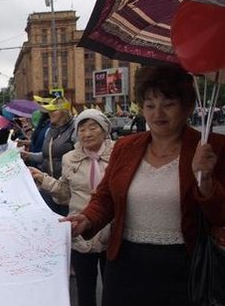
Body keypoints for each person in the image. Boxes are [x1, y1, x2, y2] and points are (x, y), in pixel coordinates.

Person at [62, 66, 225, 305]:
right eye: (149, 105)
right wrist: (87, 218)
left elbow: (220, 215)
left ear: (188, 106)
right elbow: (106, 196)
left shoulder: (211, 148)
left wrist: (207, 180)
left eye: (168, 103)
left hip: (186, 268)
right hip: (125, 266)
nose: (158, 113)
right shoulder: (126, 146)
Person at [30, 109, 114, 306]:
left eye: (93, 127)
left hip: (114, 232)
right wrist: (43, 179)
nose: (87, 133)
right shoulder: (70, 159)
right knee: (85, 292)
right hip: (80, 232)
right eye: (82, 129)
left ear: (104, 130)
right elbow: (64, 194)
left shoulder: (120, 155)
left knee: (113, 292)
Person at [24, 96, 75, 216]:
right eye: (49, 111)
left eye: (54, 110)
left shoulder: (75, 130)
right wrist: (29, 156)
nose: (50, 113)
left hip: (68, 190)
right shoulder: (49, 132)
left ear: (64, 111)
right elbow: (47, 155)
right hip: (48, 186)